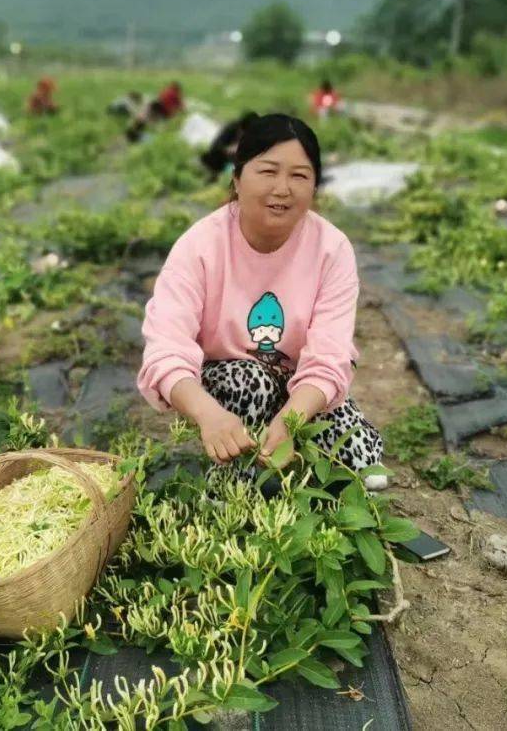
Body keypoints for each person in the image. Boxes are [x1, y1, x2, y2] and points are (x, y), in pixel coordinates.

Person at [137, 113, 387, 489]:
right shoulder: (200, 245)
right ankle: (232, 480)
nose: (282, 188)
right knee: (248, 382)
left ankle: (277, 438)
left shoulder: (332, 249)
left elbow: (329, 354)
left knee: (362, 463)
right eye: (268, 171)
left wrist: (291, 419)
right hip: (228, 380)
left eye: (299, 176)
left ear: (315, 186)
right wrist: (208, 415)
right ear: (237, 178)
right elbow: (166, 349)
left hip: (296, 381)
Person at [200, 112, 256, 179]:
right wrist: (228, 149)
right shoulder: (231, 128)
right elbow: (216, 146)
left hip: (241, 161)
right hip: (223, 157)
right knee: (212, 157)